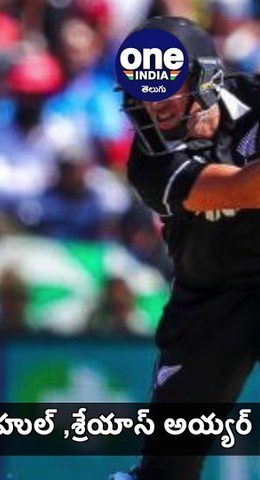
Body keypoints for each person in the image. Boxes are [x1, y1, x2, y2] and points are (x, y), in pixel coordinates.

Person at [111, 16, 260, 480]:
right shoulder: (149, 163)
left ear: (207, 77)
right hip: (211, 300)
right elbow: (242, 189)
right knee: (167, 469)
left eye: (166, 93)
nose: (154, 107)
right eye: (142, 95)